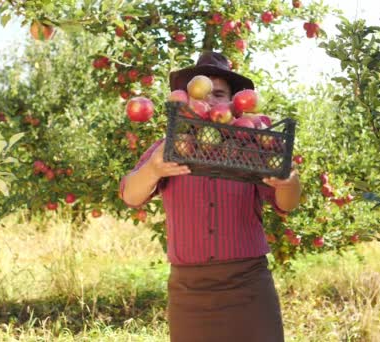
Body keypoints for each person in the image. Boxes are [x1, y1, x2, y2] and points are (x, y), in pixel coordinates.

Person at [119, 51, 301, 342]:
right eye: (202, 93)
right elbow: (130, 194)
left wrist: (288, 180)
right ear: (189, 99)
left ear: (234, 103)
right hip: (189, 291)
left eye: (219, 94)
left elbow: (286, 204)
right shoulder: (169, 147)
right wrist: (153, 169)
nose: (210, 100)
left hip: (248, 284)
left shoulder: (252, 146)